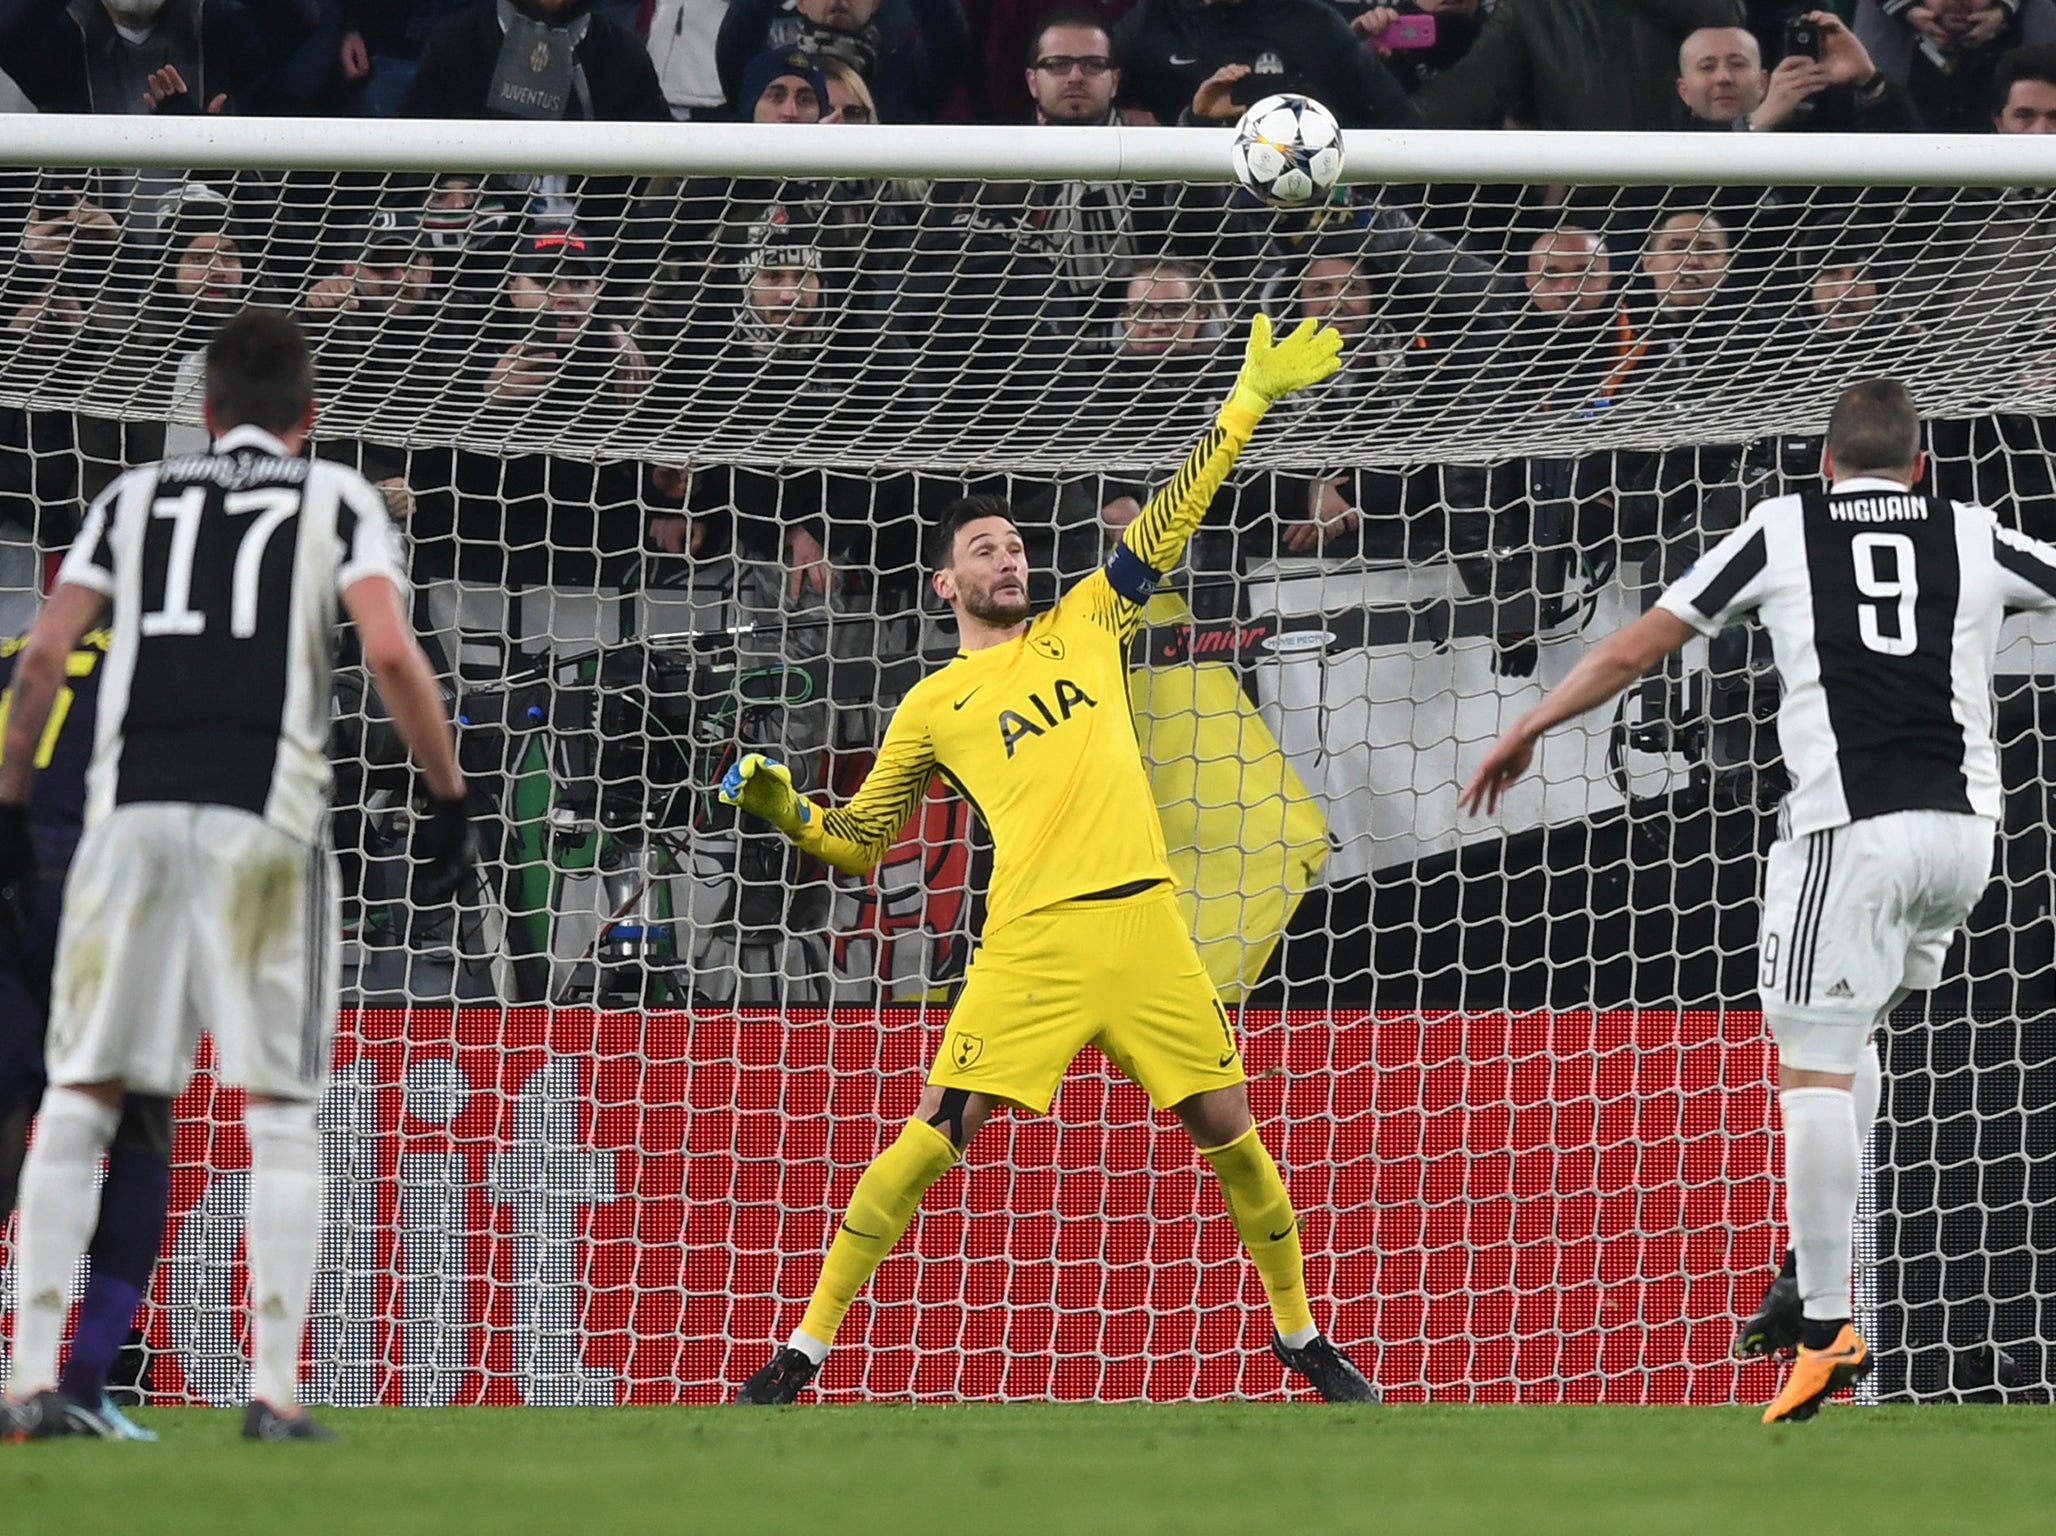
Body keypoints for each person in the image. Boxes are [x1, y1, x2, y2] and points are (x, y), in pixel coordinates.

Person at [719, 314, 1379, 1405]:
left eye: (1014, 544)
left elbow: (1168, 520)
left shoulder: (1083, 622)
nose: (1007, 555)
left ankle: (1299, 1333)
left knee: (1237, 1141)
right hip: (1033, 942)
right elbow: (858, 841)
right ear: (944, 586)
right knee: (935, 1133)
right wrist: (790, 809)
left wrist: (1246, 400)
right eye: (983, 549)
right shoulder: (934, 704)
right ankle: (807, 1346)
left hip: (1147, 929)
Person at [1459, 378, 2056, 1424]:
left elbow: (1633, 646)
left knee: (1809, 1062)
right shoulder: (1972, 531)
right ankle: (1811, 1267)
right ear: (1919, 466)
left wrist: (1530, 727)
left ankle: (1825, 1326)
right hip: (1964, 843)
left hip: (1849, 832)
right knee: (1855, 1031)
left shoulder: (1783, 526)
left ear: (1823, 463)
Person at [0, 306, 474, 1441]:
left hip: (127, 827)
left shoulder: (131, 501)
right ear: (309, 419)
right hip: (264, 828)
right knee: (280, 1110)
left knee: (81, 1098)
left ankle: (25, 1380)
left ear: (205, 412)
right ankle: (270, 1390)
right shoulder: (336, 498)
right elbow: (392, 650)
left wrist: (13, 798)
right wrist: (449, 791)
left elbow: (51, 648)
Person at [0, 626, 163, 1441]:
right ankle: (87, 1380)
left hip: (9, 884)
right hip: (98, 884)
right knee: (136, 1129)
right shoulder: (166, 655)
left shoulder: (18, 650)